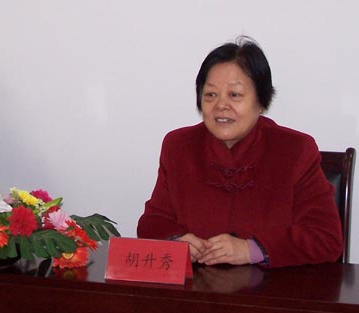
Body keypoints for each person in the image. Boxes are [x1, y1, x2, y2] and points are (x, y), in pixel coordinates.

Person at [137, 37, 342, 268]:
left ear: (261, 101)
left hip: (272, 288)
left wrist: (252, 250)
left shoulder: (295, 150)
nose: (221, 105)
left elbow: (326, 238)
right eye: (210, 95)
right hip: (198, 287)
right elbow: (152, 222)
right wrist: (177, 240)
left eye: (234, 95)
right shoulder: (178, 146)